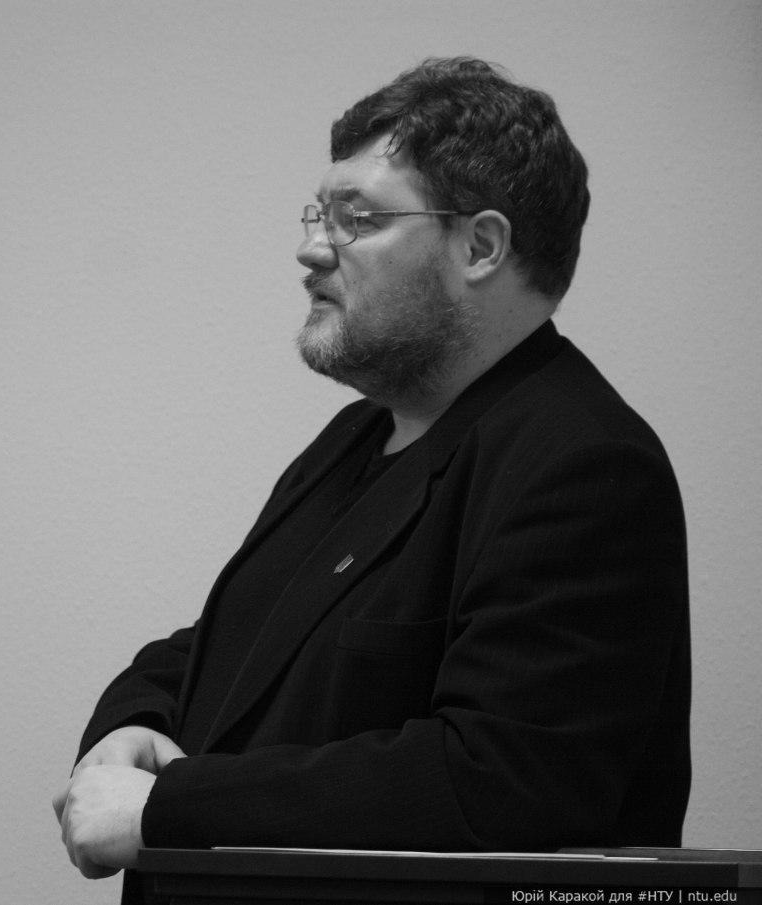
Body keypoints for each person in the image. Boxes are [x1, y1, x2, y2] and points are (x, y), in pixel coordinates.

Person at [52, 57, 691, 902]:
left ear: (481, 246)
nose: (311, 247)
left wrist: (168, 808)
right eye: (321, 214)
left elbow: (499, 780)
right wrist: (130, 725)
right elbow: (235, 646)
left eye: (357, 219)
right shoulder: (358, 435)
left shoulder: (584, 462)